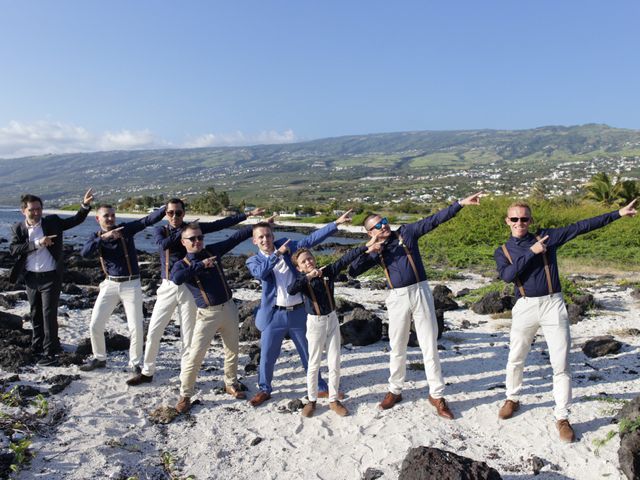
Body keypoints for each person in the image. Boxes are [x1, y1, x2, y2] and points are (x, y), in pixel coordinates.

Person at [494, 198, 637, 443]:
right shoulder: (503, 250)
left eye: (524, 218)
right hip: (525, 305)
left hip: (553, 304)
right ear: (507, 221)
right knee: (516, 357)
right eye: (515, 219)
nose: (520, 223)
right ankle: (512, 398)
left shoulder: (547, 237)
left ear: (531, 220)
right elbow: (507, 276)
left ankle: (562, 416)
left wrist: (618, 213)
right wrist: (532, 252)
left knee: (560, 363)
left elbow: (582, 226)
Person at [348, 193, 482, 417]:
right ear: (369, 232)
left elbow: (434, 220)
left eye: (384, 222)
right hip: (397, 297)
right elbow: (352, 271)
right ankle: (395, 389)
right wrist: (368, 250)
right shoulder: (375, 249)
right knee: (397, 345)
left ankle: (437, 395)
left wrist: (459, 204)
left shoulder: (406, 233)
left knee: (429, 343)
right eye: (377, 226)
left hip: (420, 291)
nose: (383, 227)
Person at [127, 200, 265, 386]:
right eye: (170, 213)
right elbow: (163, 245)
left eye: (178, 213)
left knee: (188, 333)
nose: (175, 216)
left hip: (189, 286)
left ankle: (186, 375)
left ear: (184, 213)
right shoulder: (164, 231)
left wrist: (248, 216)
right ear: (164, 214)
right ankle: (147, 371)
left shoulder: (194, 231)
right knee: (154, 330)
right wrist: (184, 233)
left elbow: (219, 225)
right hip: (168, 284)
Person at [246, 210, 353, 407]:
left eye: (268, 235)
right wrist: (277, 254)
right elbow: (261, 274)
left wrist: (335, 223)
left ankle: (320, 387)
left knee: (309, 353)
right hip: (273, 314)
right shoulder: (254, 260)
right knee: (267, 355)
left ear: (273, 235)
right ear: (254, 241)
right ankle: (264, 389)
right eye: (260, 237)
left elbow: (311, 240)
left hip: (299, 312)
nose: (265, 239)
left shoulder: (289, 246)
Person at [170, 222, 255, 413]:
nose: (197, 241)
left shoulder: (211, 251)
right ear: (183, 242)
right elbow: (177, 279)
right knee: (195, 356)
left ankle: (231, 383)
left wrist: (254, 225)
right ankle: (185, 395)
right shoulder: (181, 264)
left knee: (232, 349)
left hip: (230, 308)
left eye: (200, 237)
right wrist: (200, 266)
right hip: (207, 315)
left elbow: (234, 239)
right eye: (192, 239)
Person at [287, 239, 379, 417]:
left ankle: (333, 400)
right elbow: (291, 289)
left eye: (310, 258)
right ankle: (312, 401)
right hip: (315, 323)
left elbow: (345, 259)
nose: (309, 262)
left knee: (334, 362)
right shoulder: (302, 280)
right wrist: (309, 276)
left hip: (332, 320)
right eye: (304, 262)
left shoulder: (327, 272)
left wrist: (366, 246)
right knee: (314, 364)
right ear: (299, 268)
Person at [79, 204, 166, 379]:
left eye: (112, 215)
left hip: (131, 284)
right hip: (110, 284)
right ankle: (99, 358)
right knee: (95, 324)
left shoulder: (126, 230)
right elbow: (85, 253)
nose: (110, 218)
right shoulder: (96, 236)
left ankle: (134, 363)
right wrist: (104, 238)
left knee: (136, 327)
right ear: (98, 219)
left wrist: (166, 209)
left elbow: (147, 220)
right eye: (106, 216)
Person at [9, 189, 94, 366]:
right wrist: (38, 243)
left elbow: (75, 220)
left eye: (39, 209)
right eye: (32, 209)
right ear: (23, 210)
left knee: (49, 313)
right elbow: (14, 249)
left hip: (51, 277)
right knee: (35, 313)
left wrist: (84, 206)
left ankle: (51, 350)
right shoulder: (18, 228)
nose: (36, 212)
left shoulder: (53, 222)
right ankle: (37, 345)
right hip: (31, 277)